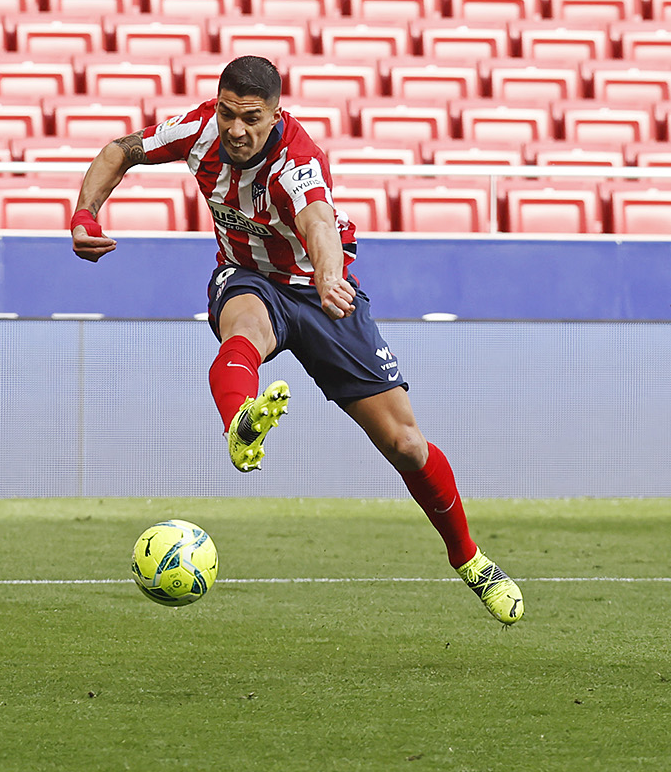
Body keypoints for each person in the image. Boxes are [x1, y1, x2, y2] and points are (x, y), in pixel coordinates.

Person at [69, 55, 523, 625]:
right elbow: (120, 151)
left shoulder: (298, 161)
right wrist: (85, 213)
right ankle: (241, 425)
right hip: (249, 278)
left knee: (406, 444)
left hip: (320, 289)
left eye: (251, 118)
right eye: (229, 113)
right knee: (244, 326)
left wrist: (331, 276)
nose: (236, 129)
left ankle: (469, 557)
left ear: (275, 112)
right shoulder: (199, 130)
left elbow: (318, 223)